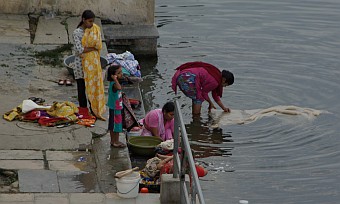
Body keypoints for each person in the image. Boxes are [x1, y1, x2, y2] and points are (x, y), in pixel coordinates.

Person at [73, 10, 106, 120]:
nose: (91, 24)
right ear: (83, 20)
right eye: (89, 21)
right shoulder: (77, 33)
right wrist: (92, 48)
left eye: (92, 21)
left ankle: (94, 110)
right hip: (80, 65)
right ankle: (83, 110)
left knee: (92, 87)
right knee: (82, 88)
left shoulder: (94, 29)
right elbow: (79, 50)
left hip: (92, 65)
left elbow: (99, 43)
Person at [106, 63, 126, 148]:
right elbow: (119, 88)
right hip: (115, 108)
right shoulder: (114, 84)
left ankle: (114, 140)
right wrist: (116, 80)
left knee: (115, 125)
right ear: (113, 76)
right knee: (115, 125)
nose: (121, 74)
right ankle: (115, 141)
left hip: (117, 107)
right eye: (119, 73)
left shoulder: (113, 83)